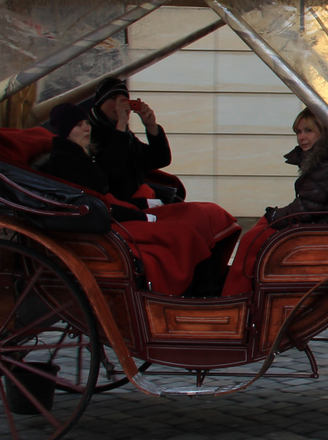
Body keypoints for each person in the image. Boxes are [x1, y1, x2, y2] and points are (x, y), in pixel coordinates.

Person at [36, 103, 239, 297]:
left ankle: (209, 287)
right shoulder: (66, 160)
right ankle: (199, 292)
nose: (86, 128)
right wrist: (140, 214)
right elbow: (94, 198)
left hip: (117, 210)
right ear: (66, 132)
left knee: (200, 217)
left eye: (86, 123)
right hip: (104, 221)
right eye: (78, 125)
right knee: (182, 232)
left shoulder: (82, 153)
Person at [223, 109, 328, 297]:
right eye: (298, 132)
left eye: (308, 131)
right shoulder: (327, 161)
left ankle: (235, 296)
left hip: (324, 231)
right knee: (254, 236)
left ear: (323, 132)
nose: (302, 137)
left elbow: (306, 209)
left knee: (252, 241)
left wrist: (274, 215)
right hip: (322, 225)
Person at [83, 77, 173, 204]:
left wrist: (151, 127)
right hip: (114, 207)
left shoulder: (125, 134)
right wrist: (121, 127)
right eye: (113, 99)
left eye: (124, 101)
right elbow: (110, 171)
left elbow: (160, 159)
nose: (119, 105)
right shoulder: (88, 133)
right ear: (100, 104)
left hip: (137, 201)